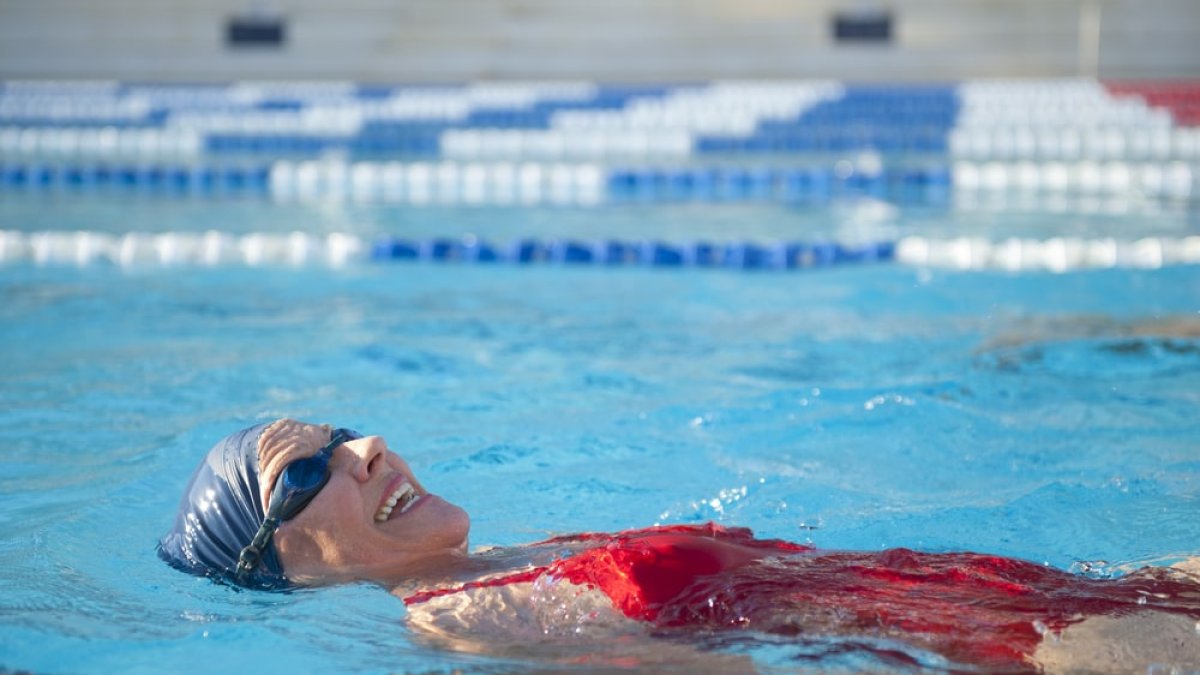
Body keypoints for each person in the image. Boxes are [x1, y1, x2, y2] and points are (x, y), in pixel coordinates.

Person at [159, 419, 1200, 672]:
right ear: (284, 564)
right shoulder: (471, 618)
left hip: (1022, 588)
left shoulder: (513, 560)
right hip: (1028, 646)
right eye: (305, 473)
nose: (366, 448)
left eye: (342, 433)